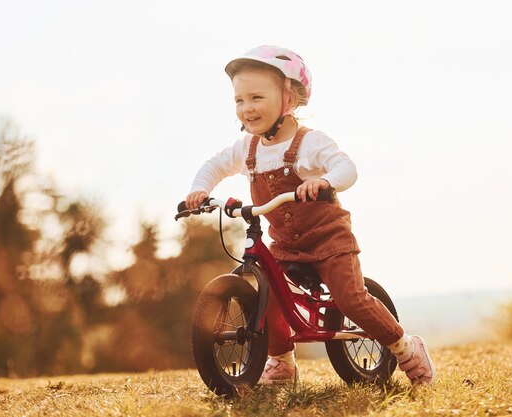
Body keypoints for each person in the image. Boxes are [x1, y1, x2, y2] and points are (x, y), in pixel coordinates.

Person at [186, 45, 435, 386]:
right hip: (286, 245)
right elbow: (214, 165)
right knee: (266, 291)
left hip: (329, 241)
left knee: (350, 299)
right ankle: (281, 362)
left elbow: (346, 167)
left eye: (256, 97)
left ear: (288, 98)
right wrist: (199, 189)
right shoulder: (247, 148)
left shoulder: (310, 143)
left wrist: (325, 180)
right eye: (239, 100)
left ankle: (405, 347)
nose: (246, 108)